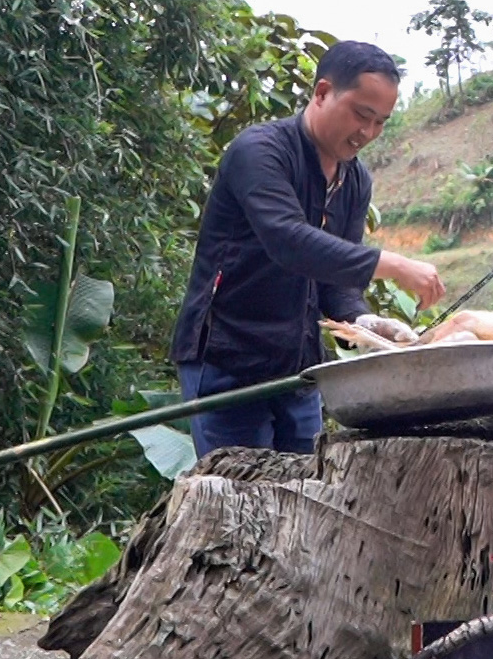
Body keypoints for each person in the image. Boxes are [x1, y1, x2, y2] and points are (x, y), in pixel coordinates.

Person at [170, 40, 445, 457]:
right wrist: (392, 265)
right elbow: (288, 241)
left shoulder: (355, 181)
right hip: (227, 362)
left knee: (303, 496)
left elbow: (335, 284)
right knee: (240, 500)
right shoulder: (260, 152)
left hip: (299, 370)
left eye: (381, 122)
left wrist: (367, 323)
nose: (367, 133)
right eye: (361, 115)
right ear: (321, 93)